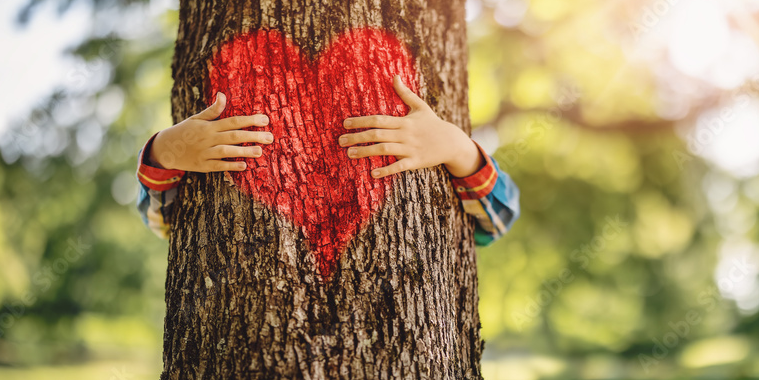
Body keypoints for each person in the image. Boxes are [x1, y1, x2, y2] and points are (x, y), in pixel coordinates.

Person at [136, 75, 519, 246]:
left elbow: (496, 222)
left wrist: (456, 147)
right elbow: (165, 225)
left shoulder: (451, 153)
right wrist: (165, 152)